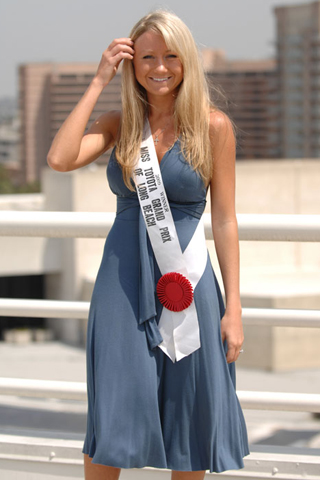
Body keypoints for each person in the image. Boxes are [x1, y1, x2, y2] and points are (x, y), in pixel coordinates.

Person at [47, 9, 250, 480]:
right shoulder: (119, 124)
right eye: (147, 57)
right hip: (121, 285)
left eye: (171, 56)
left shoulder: (213, 126)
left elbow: (224, 219)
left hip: (189, 282)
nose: (160, 67)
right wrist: (98, 79)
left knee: (190, 415)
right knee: (114, 409)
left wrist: (234, 306)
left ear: (187, 62)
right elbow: (59, 159)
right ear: (131, 63)